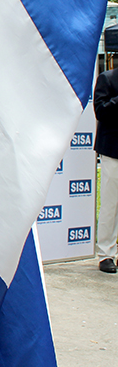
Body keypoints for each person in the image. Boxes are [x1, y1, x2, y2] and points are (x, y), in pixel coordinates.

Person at [94, 67, 118, 273]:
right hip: (113, 150)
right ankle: (106, 254)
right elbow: (100, 111)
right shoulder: (107, 78)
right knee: (111, 205)